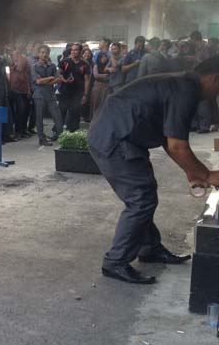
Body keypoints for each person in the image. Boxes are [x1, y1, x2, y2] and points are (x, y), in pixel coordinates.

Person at [88, 56, 219, 284]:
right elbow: (178, 146)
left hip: (123, 134)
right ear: (215, 78)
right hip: (115, 137)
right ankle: (115, 262)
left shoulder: (182, 84)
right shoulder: (185, 91)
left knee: (145, 193)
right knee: (141, 199)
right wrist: (207, 174)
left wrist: (192, 171)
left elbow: (171, 141)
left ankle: (149, 248)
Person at [31, 45, 64, 146]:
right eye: (42, 52)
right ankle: (42, 139)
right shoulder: (35, 67)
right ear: (38, 54)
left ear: (48, 54)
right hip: (39, 95)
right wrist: (50, 77)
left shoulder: (52, 66)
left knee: (57, 116)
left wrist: (45, 80)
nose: (44, 54)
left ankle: (61, 136)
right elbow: (38, 81)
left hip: (50, 94)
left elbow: (58, 79)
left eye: (46, 52)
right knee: (39, 117)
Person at [57, 43, 90, 132]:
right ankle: (57, 132)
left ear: (80, 51)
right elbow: (59, 74)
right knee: (61, 112)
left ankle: (72, 133)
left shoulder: (85, 64)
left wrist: (85, 95)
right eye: (72, 50)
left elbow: (87, 80)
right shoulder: (64, 62)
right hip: (64, 91)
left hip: (78, 93)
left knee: (75, 113)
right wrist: (64, 80)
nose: (73, 52)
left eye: (76, 50)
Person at [9, 44, 32, 139]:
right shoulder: (11, 57)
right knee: (17, 111)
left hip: (23, 88)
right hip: (14, 88)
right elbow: (14, 69)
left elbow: (26, 73)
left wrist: (28, 88)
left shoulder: (24, 58)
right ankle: (17, 131)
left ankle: (22, 130)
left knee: (24, 111)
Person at [90, 51, 110, 120]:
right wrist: (105, 75)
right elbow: (96, 75)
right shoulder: (96, 65)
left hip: (106, 86)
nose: (104, 59)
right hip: (98, 85)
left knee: (104, 102)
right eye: (103, 57)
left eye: (105, 57)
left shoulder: (108, 65)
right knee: (96, 102)